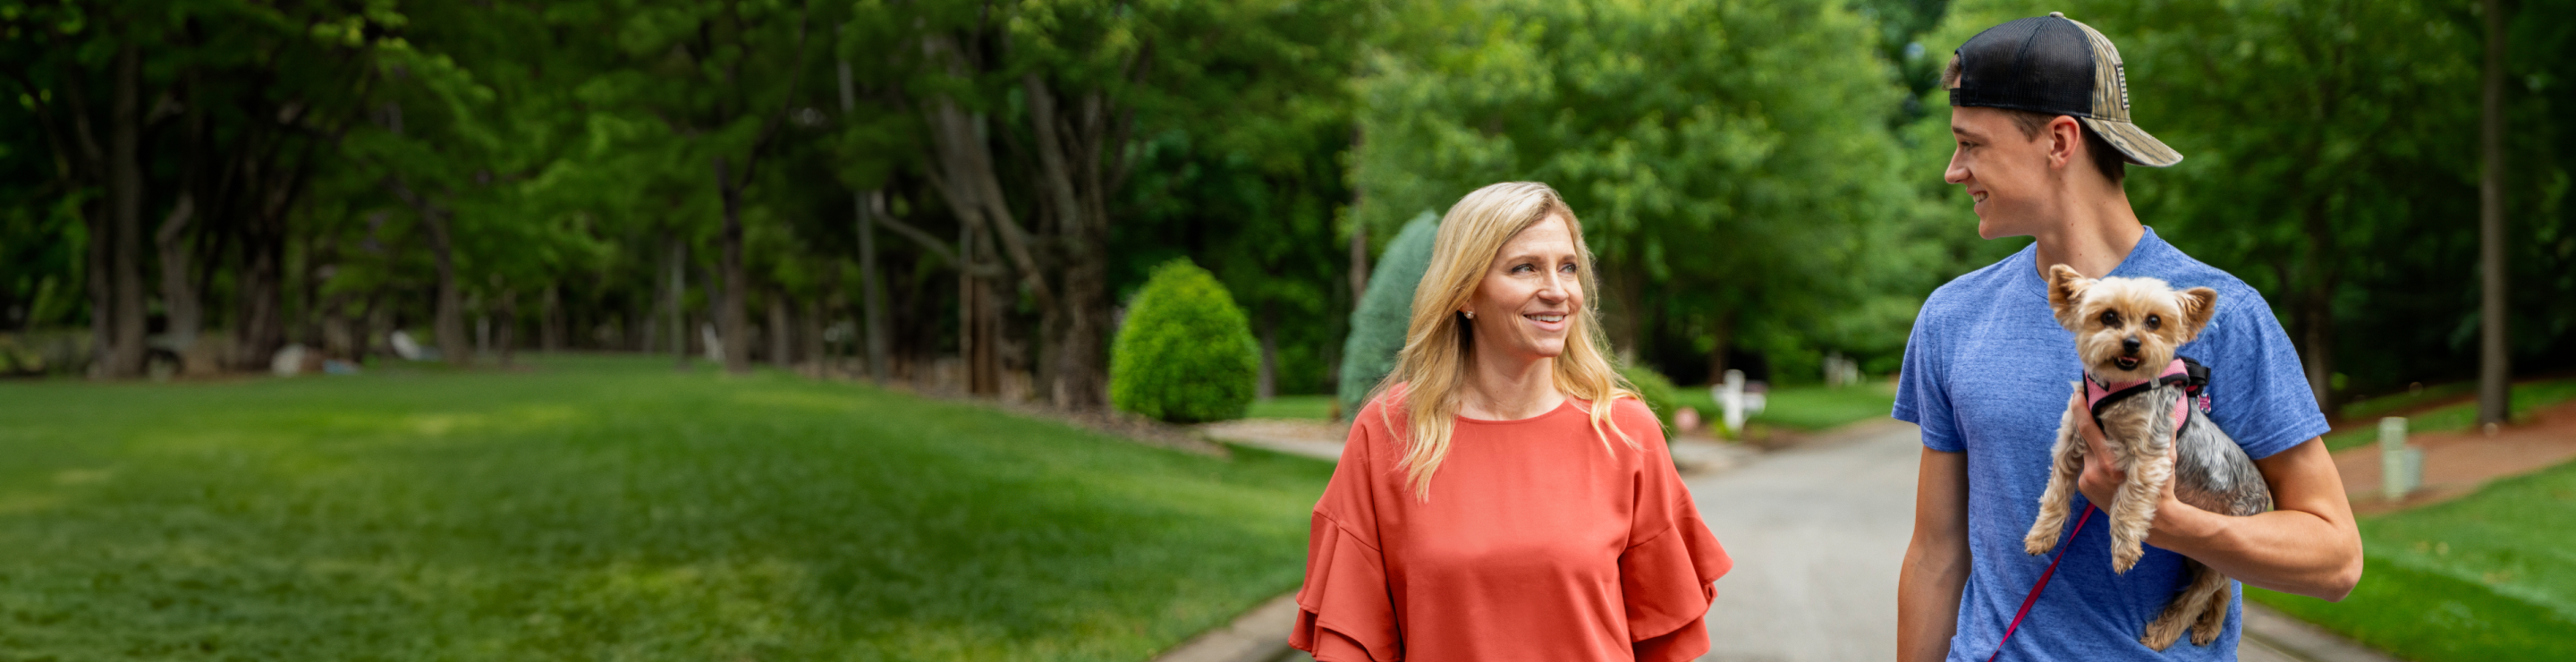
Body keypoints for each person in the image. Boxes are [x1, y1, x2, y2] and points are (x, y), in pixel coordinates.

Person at [1893, 13, 2363, 661]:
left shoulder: (2217, 314)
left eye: (1971, 144)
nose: (1953, 170)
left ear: (2060, 141)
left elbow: (2334, 558)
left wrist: (2166, 521)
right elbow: (1935, 555)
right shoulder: (1953, 317)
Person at [1289, 182, 1732, 662]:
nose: (1557, 292)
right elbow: (1352, 638)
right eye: (1525, 268)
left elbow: (1662, 639)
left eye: (1568, 268)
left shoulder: (1623, 430)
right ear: (1465, 294)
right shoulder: (1391, 431)